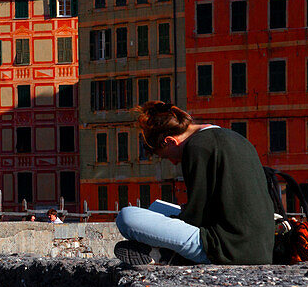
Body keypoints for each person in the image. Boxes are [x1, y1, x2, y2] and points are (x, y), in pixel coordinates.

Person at [114, 101, 275, 266]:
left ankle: (164, 252)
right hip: (259, 246)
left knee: (126, 217)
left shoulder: (197, 147)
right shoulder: (236, 138)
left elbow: (195, 218)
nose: (173, 162)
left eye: (166, 156)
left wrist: (178, 217)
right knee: (157, 210)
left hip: (228, 248)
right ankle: (160, 254)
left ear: (170, 141)